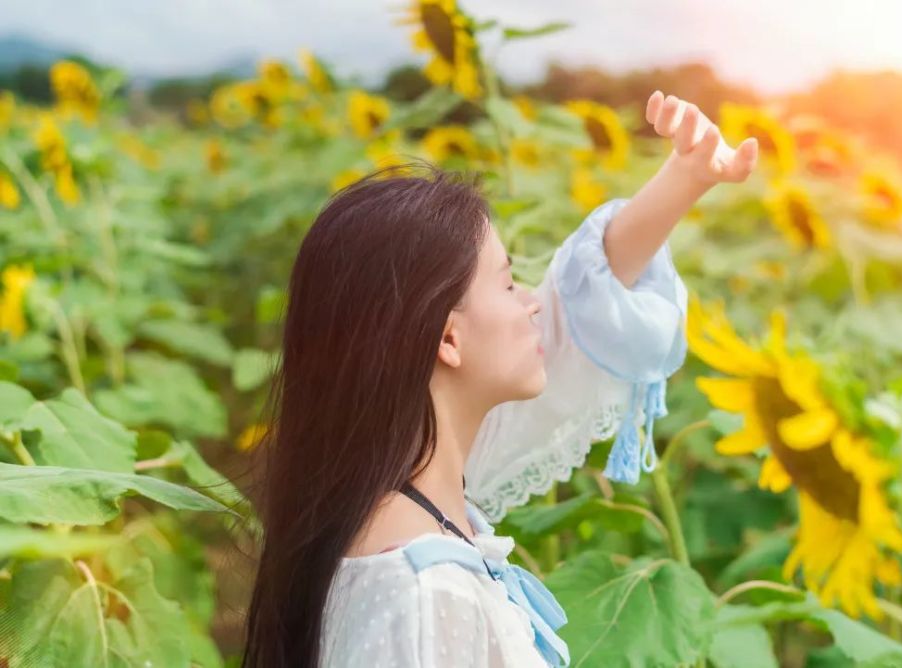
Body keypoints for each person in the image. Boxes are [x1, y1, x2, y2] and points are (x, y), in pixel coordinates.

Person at [240, 91, 758, 667]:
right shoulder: (422, 597)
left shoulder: (411, 483)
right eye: (509, 284)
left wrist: (686, 173)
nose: (533, 303)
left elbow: (575, 313)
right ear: (449, 339)